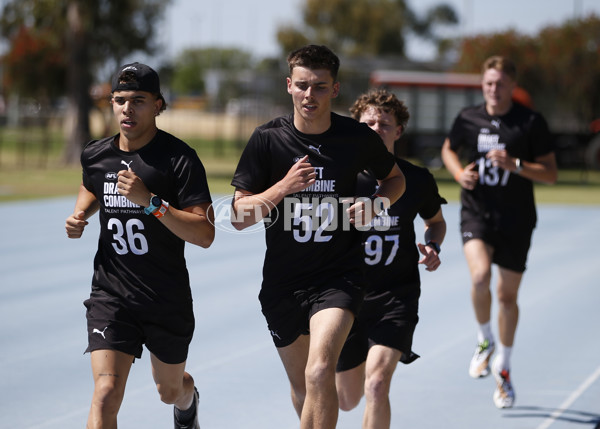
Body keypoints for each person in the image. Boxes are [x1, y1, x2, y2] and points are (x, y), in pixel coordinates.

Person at [230, 45, 405, 429]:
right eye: (303, 86)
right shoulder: (267, 140)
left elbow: (395, 180)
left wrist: (377, 204)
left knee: (320, 370)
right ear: (289, 85)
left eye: (320, 87)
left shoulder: (355, 137)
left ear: (335, 89)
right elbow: (239, 216)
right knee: (303, 388)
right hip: (282, 283)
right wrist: (282, 188)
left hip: (337, 278)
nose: (311, 95)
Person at [65, 62, 215, 429]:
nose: (127, 109)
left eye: (139, 100)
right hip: (111, 295)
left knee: (169, 390)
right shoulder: (96, 154)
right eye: (120, 100)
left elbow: (205, 234)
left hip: (165, 298)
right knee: (104, 395)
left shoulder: (180, 159)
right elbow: (92, 182)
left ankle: (188, 403)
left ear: (158, 105)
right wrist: (81, 213)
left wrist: (151, 202)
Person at [441, 56, 557, 408]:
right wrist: (460, 174)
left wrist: (516, 165)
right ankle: (484, 338)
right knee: (479, 277)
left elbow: (551, 173)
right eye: (489, 83)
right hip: (477, 213)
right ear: (482, 84)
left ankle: (503, 367)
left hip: (517, 220)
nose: (493, 89)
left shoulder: (530, 122)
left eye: (500, 83)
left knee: (506, 297)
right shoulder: (468, 118)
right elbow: (449, 149)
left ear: (512, 86)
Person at [335, 88, 447, 429]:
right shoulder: (341, 176)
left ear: (398, 131)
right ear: (356, 126)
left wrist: (433, 245)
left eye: (384, 124)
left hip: (395, 297)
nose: (375, 129)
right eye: (367, 123)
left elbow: (436, 223)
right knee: (347, 399)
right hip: (345, 298)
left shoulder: (415, 179)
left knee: (377, 384)